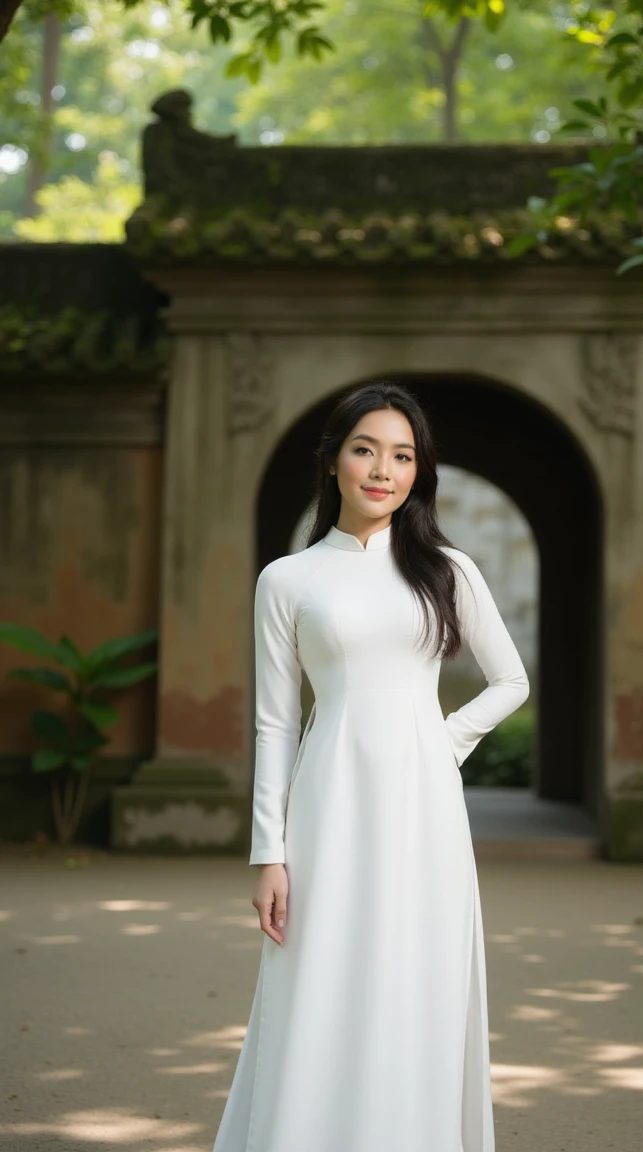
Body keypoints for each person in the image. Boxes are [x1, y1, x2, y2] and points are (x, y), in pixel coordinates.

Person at [211, 379, 530, 1152]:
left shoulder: (446, 569)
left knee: (415, 977)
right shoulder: (288, 580)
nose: (383, 470)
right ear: (332, 461)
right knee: (319, 981)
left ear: (418, 472)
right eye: (365, 450)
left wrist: (442, 743)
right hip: (328, 803)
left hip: (426, 808)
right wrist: (269, 854)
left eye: (402, 455)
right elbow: (276, 722)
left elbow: (510, 679)